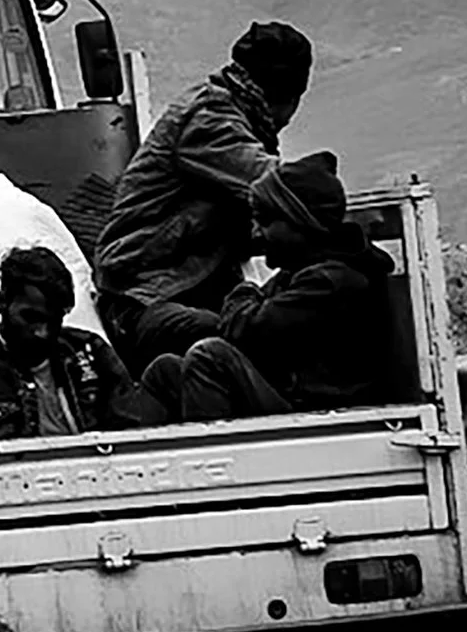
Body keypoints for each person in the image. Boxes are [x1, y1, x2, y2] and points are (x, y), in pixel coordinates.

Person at [91, 21, 314, 374]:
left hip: (192, 290)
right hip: (147, 298)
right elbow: (283, 188)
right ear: (291, 98)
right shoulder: (210, 121)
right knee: (230, 336)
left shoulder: (234, 117)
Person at [129, 152, 396, 424]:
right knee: (166, 371)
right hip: (291, 397)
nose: (256, 233)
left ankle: (212, 455)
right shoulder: (300, 273)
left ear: (301, 223)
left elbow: (244, 331)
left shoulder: (332, 282)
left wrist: (244, 290)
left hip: (319, 414)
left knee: (211, 357)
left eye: (266, 222)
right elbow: (242, 321)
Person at [0, 246, 146, 439]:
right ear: (1, 303)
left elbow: (130, 437)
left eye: (54, 321)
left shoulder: (93, 352)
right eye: (30, 318)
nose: (42, 333)